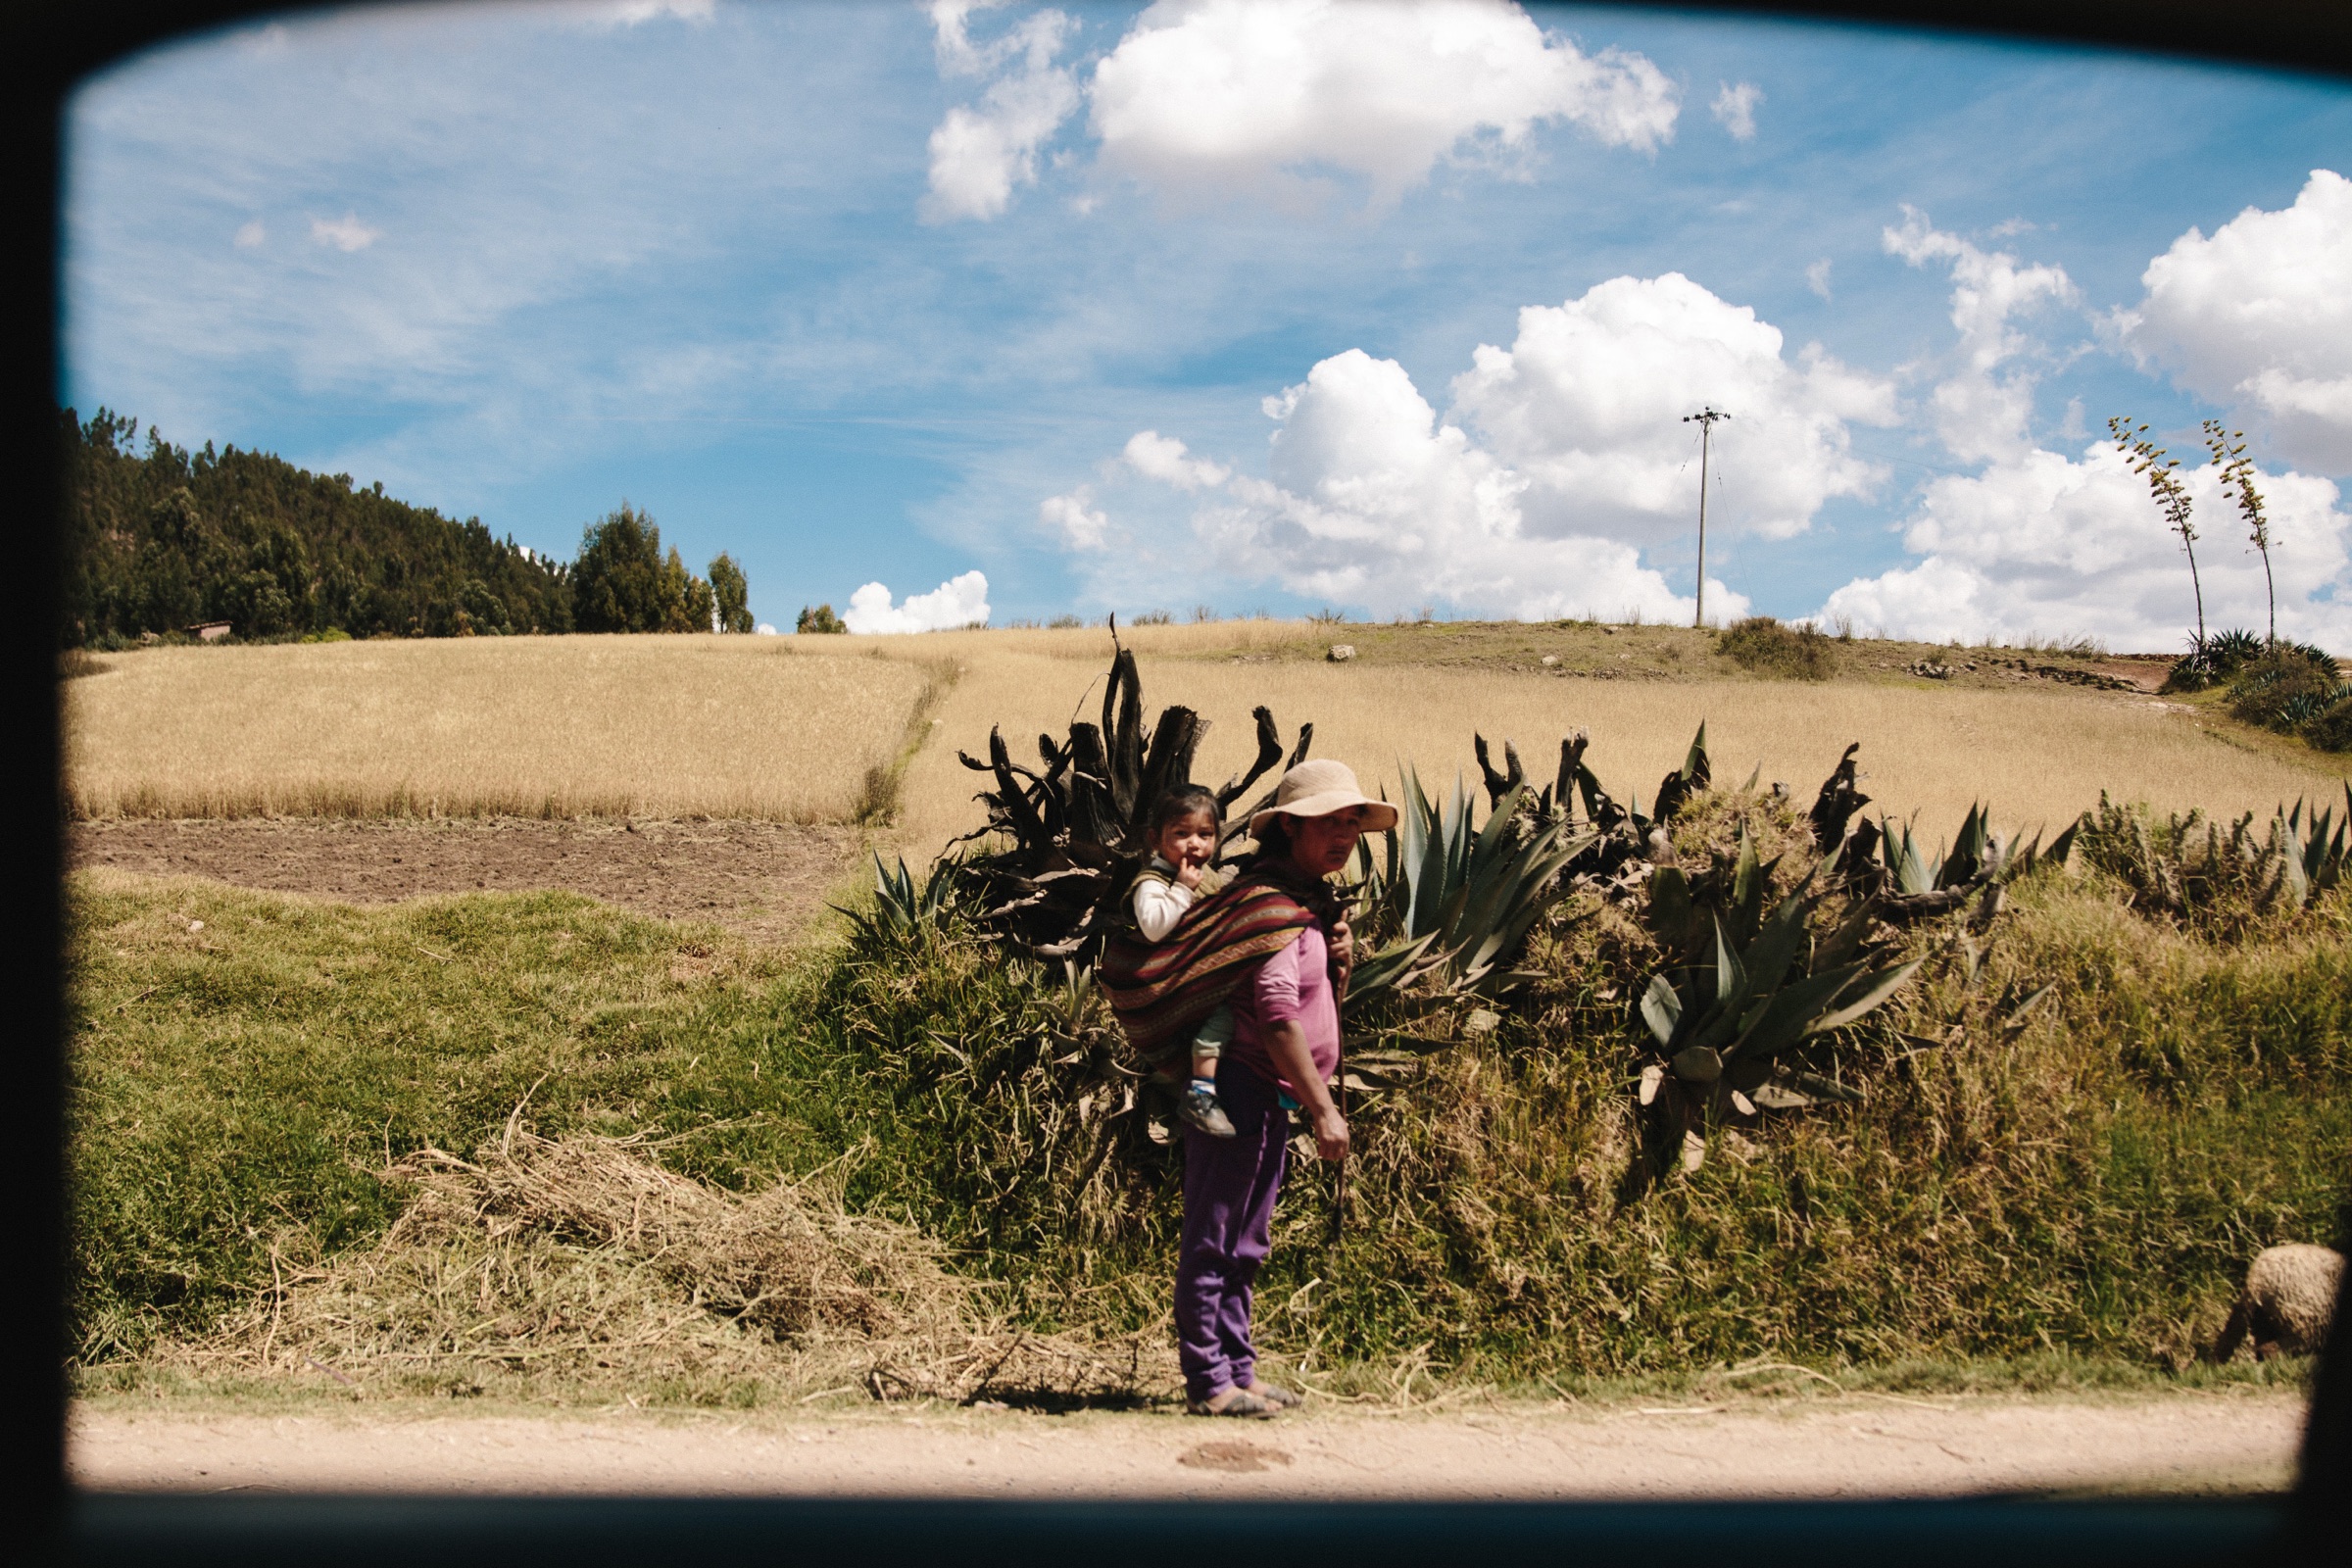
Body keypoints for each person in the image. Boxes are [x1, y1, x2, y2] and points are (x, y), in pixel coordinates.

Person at [1176, 760, 1396, 1418]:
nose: (1344, 837)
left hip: (1269, 1095)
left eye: (1352, 825)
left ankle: (1239, 1371)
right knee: (1215, 1236)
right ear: (1292, 829)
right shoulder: (1272, 908)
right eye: (1330, 823)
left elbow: (1312, 999)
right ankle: (1210, 1381)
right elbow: (1276, 1019)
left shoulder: (1306, 907)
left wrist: (1341, 957)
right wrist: (1326, 1110)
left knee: (1248, 1238)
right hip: (1240, 1087)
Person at [1128, 785, 1240, 1139]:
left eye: (1205, 834)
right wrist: (1181, 890)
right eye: (1181, 834)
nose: (1195, 843)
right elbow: (1154, 927)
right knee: (1222, 1018)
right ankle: (1201, 1091)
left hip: (1207, 974)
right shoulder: (1153, 882)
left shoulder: (1210, 877)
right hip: (1178, 985)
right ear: (1155, 839)